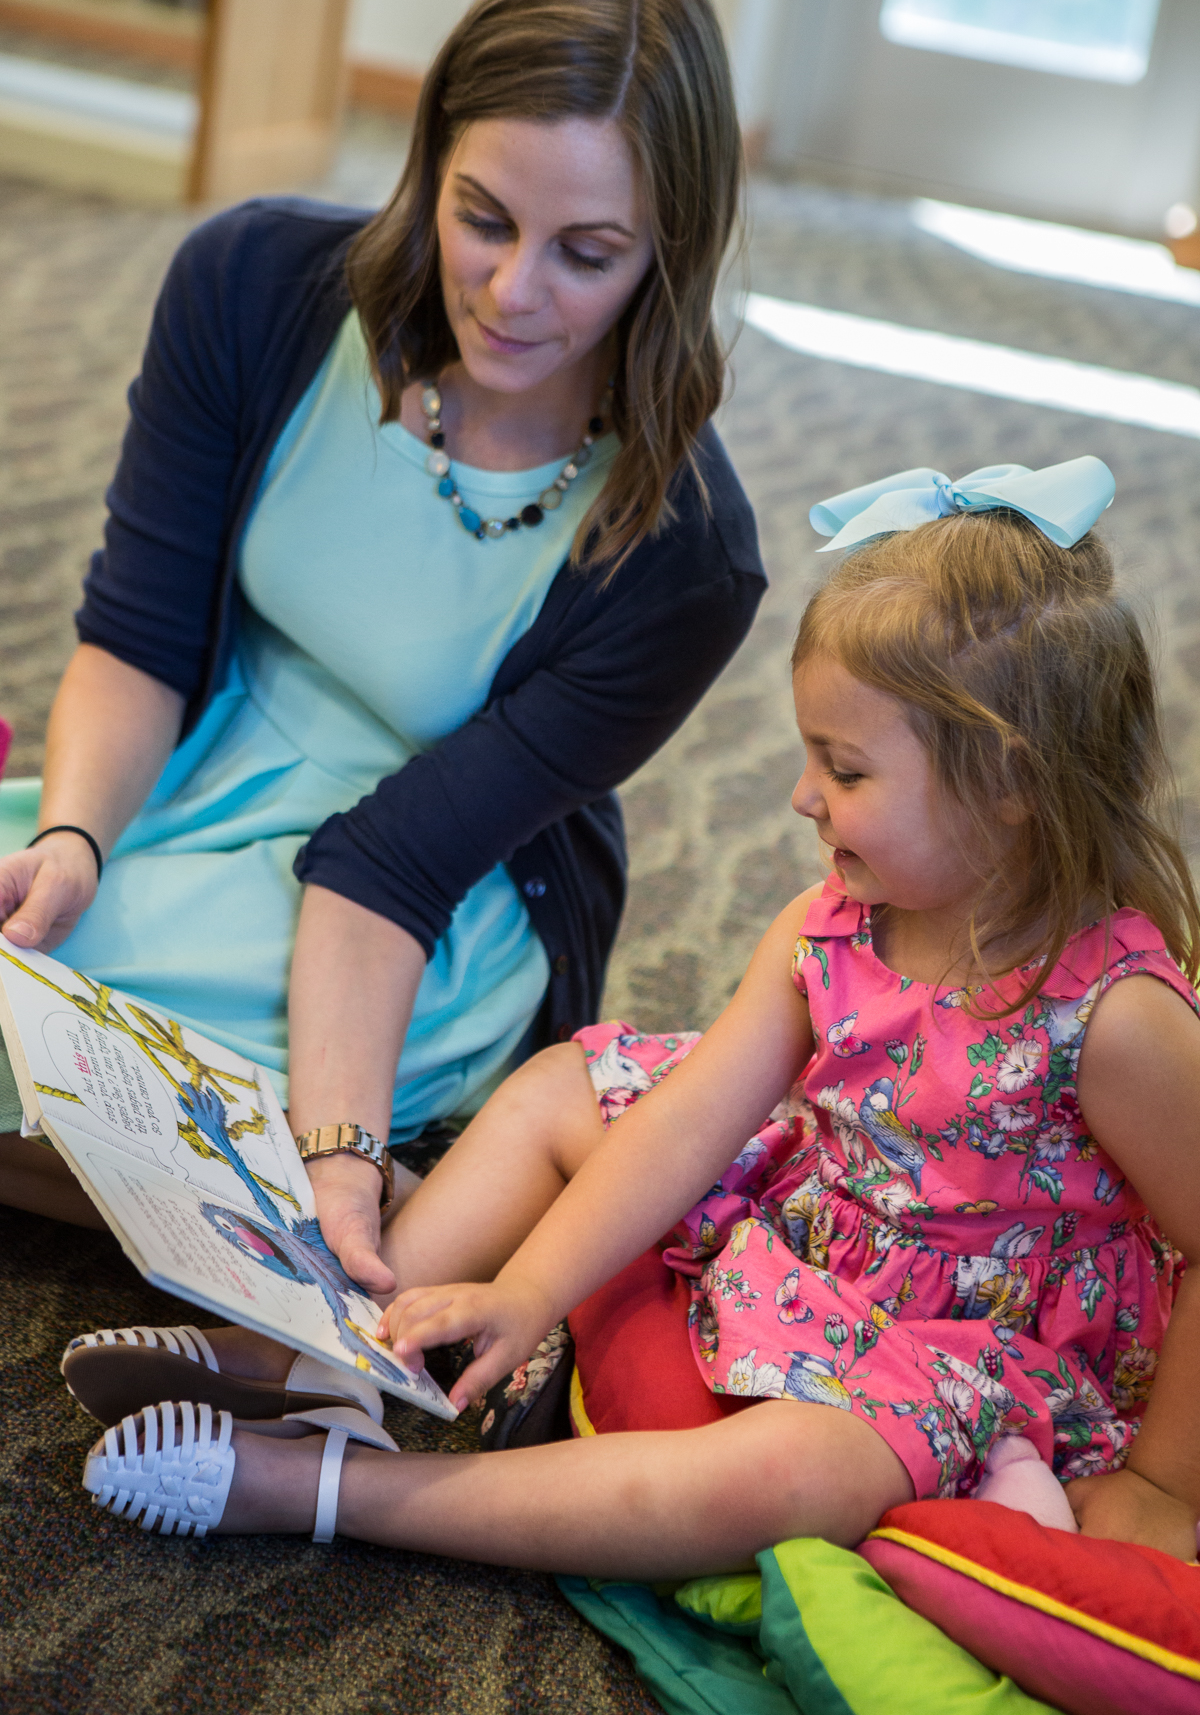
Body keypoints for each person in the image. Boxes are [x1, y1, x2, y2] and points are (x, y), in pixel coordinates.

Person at [73, 457, 1200, 1575]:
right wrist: (529, 1290)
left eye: (843, 770)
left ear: (1008, 783)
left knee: (788, 1475)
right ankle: (323, 1356)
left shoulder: (1117, 1017)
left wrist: (1160, 1483)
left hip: (966, 1344)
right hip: (829, 1205)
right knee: (570, 1084)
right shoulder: (835, 920)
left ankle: (334, 1488)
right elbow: (687, 1120)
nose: (803, 798)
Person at [0, 0, 764, 1286]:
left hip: (427, 906)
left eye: (587, 254)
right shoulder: (249, 287)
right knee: (38, 972)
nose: (515, 292)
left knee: (65, 1034)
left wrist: (338, 1139)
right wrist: (71, 840)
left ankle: (360, 1197)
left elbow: (391, 864)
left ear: (669, 255)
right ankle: (372, 1211)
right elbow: (136, 639)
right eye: (483, 218)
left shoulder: (687, 554)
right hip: (175, 766)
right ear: (430, 160)